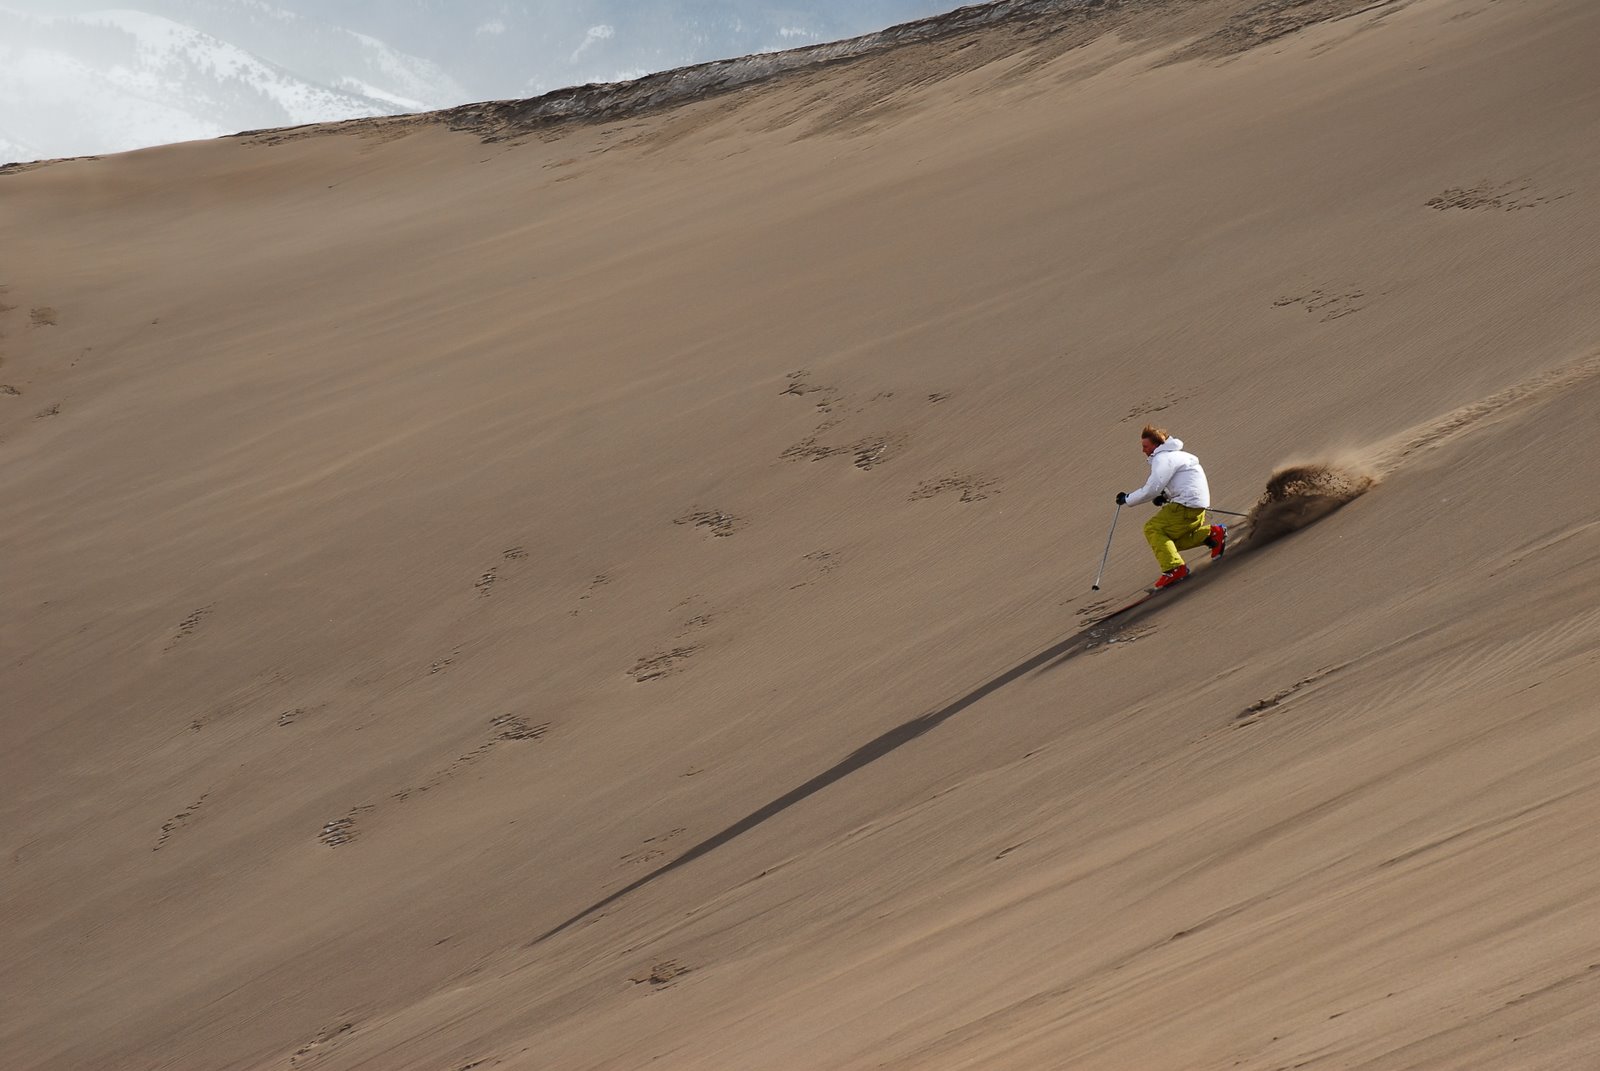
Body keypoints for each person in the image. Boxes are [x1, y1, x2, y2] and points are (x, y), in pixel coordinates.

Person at [1116, 425, 1226, 588]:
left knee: (1152, 529)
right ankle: (1212, 535)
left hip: (1186, 505)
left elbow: (1151, 489)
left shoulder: (1163, 459)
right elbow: (1182, 481)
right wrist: (1165, 496)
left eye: (1145, 446)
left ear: (1156, 444)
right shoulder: (1178, 455)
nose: (1143, 450)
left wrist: (1127, 498)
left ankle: (1174, 568)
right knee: (1169, 542)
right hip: (1196, 504)